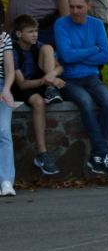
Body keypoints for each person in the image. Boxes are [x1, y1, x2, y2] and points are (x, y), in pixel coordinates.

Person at [54, 0, 108, 175]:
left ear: (88, 6)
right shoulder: (61, 24)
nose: (75, 11)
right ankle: (104, 153)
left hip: (91, 77)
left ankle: (96, 155)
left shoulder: (97, 25)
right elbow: (66, 56)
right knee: (85, 101)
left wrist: (77, 55)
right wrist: (92, 50)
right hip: (69, 79)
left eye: (79, 7)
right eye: (72, 7)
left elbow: (105, 57)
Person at [10, 14, 64, 175]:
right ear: (19, 34)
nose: (35, 35)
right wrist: (50, 81)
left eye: (36, 31)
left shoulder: (37, 45)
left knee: (48, 48)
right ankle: (42, 153)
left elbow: (60, 67)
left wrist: (51, 76)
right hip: (22, 87)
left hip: (41, 81)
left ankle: (50, 90)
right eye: (30, 31)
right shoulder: (13, 51)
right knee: (39, 102)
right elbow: (22, 84)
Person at [0, 26, 17, 196]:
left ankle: (6, 181)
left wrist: (6, 89)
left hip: (1, 86)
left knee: (3, 130)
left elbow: (10, 70)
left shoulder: (4, 37)